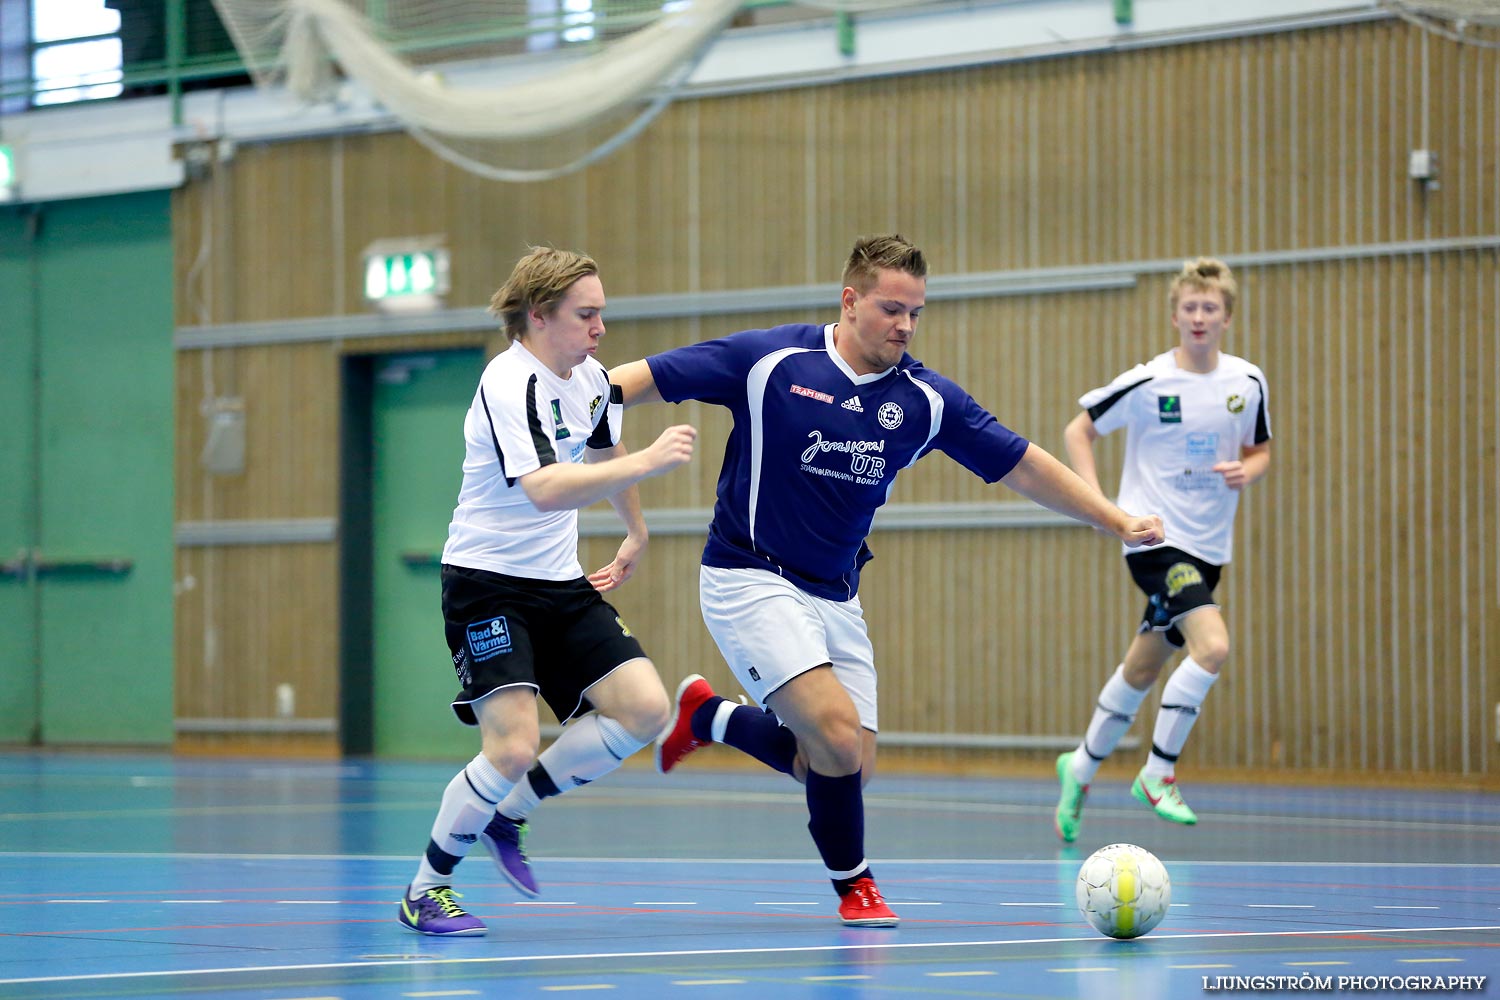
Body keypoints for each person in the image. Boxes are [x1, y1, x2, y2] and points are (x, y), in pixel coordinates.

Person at [609, 234, 1164, 927]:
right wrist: (574, 404)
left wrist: (1112, 517)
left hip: (837, 592)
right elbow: (637, 379)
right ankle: (856, 886)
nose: (904, 326)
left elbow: (1021, 461)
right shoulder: (770, 361)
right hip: (748, 577)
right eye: (891, 309)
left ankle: (708, 715)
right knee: (836, 739)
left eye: (916, 314)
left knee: (845, 766)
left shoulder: (925, 401)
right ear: (849, 301)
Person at [398, 246, 697, 936]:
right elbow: (542, 490)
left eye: (602, 315)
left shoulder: (589, 378)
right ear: (539, 316)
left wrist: (636, 532)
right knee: (510, 746)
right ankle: (427, 888)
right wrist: (654, 463)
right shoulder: (509, 382)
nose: (599, 330)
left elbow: (600, 455)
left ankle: (512, 811)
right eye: (585, 315)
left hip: (559, 582)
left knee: (646, 710)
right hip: (487, 586)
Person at [1052, 257, 1271, 844]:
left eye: (1211, 309)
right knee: (1213, 646)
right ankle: (1157, 772)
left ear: (1226, 318)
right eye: (1190, 307)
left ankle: (1079, 767)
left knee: (1143, 667)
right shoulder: (1149, 382)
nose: (1200, 317)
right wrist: (1102, 507)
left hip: (1209, 549)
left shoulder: (1246, 383)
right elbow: (1080, 430)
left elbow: (1260, 449)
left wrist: (1248, 471)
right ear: (1175, 314)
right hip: (1154, 539)